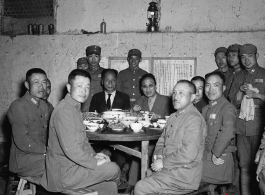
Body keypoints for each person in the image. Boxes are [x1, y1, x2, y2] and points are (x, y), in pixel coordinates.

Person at [40, 69, 120, 195]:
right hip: (63, 174)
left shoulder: (74, 108)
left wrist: (94, 155)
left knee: (110, 187)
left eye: (87, 87)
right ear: (68, 87)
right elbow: (72, 151)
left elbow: (84, 141)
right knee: (114, 169)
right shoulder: (64, 111)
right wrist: (94, 162)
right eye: (79, 86)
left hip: (75, 166)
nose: (84, 91)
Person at [134, 80, 207, 195]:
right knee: (146, 174)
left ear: (192, 97)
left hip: (183, 174)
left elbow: (189, 153)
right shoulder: (173, 116)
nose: (176, 96)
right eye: (174, 92)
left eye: (181, 93)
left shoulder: (194, 119)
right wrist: (157, 154)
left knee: (140, 187)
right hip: (170, 170)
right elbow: (162, 140)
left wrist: (163, 161)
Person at [7, 68, 50, 177]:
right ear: (27, 85)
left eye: (44, 82)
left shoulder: (45, 106)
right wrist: (48, 150)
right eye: (36, 82)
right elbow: (22, 141)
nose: (41, 86)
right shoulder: (18, 106)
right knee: (62, 163)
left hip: (42, 156)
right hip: (23, 161)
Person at [235, 44, 265, 195]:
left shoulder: (264, 74)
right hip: (241, 126)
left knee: (260, 167)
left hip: (259, 125)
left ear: (257, 56)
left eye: (250, 56)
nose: (246, 60)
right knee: (244, 166)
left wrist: (257, 95)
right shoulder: (238, 76)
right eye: (243, 57)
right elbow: (232, 102)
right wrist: (240, 92)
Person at [201, 71, 237, 185]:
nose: (211, 89)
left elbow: (228, 130)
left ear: (224, 88)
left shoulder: (227, 108)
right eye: (207, 85)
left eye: (216, 85)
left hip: (217, 162)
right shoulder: (206, 109)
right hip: (204, 158)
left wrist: (216, 153)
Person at [81, 45, 104, 112]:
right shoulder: (82, 74)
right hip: (85, 109)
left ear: (100, 58)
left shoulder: (105, 73)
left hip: (101, 109)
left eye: (96, 56)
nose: (93, 59)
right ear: (87, 58)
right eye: (91, 56)